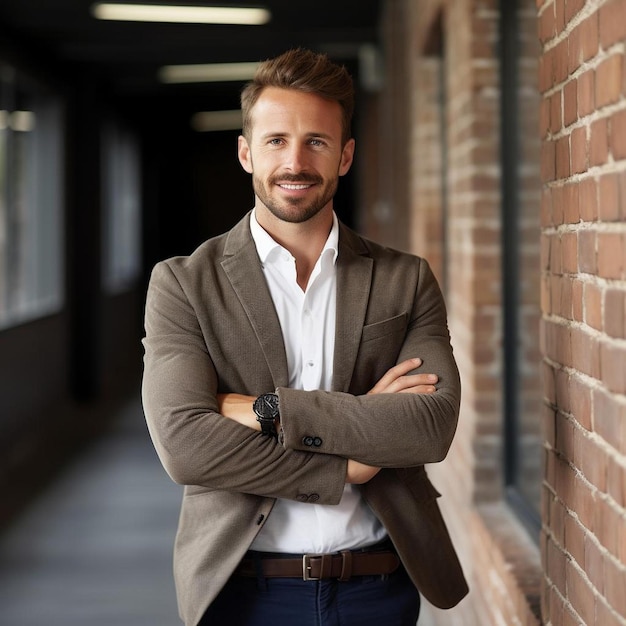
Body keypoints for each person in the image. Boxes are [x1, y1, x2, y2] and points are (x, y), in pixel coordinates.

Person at [142, 47, 468, 626]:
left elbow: (429, 427)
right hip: (243, 593)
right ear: (245, 152)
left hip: (377, 588)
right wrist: (348, 465)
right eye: (276, 141)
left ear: (344, 156)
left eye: (316, 141)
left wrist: (267, 410)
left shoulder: (404, 278)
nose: (295, 161)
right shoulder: (184, 284)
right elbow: (184, 445)